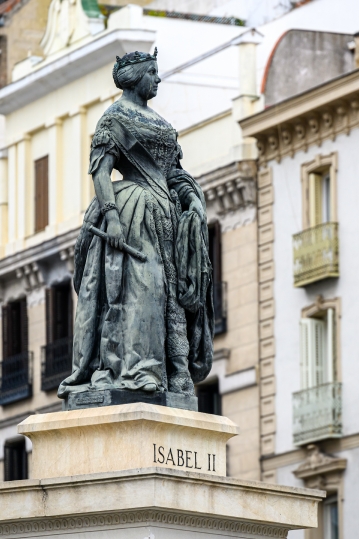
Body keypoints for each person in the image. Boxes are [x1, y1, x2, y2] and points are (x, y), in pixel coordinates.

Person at [58, 48, 213, 399]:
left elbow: (174, 173)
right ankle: (137, 368)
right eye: (153, 72)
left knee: (174, 295)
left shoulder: (161, 123)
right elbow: (100, 170)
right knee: (144, 289)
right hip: (133, 215)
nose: (158, 79)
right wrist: (111, 216)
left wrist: (192, 200)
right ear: (135, 77)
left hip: (169, 218)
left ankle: (176, 373)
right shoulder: (114, 118)